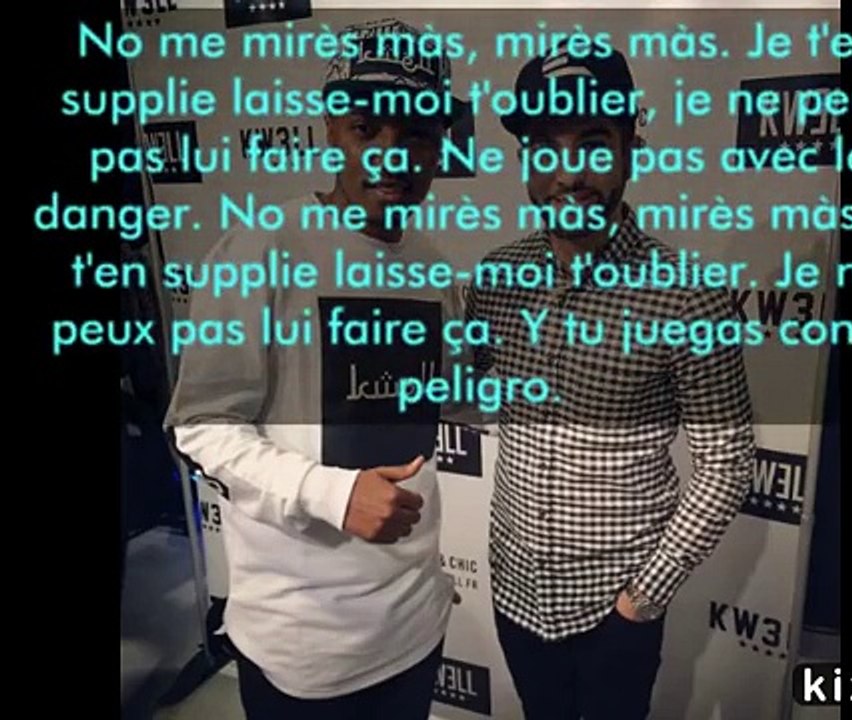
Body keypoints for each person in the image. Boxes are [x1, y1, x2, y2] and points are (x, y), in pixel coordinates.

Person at [164, 18, 466, 719]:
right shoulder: (262, 249)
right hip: (306, 652)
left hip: (416, 626)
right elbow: (200, 428)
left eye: (416, 133)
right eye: (366, 129)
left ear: (440, 144)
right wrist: (332, 493)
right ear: (332, 129)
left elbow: (439, 400)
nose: (391, 154)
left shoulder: (434, 267)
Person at [464, 42, 757, 719]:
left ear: (630, 148)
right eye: (545, 148)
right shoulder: (496, 279)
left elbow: (726, 466)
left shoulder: (689, 296)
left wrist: (639, 602)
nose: (569, 172)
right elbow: (471, 393)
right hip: (514, 594)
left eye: (593, 144)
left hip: (614, 611)